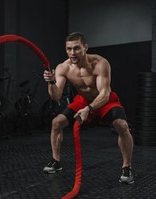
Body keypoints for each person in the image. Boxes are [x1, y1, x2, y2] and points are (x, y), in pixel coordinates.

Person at [42, 32, 134, 184]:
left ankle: (127, 167)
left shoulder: (100, 63)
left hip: (105, 100)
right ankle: (55, 161)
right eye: (69, 49)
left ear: (85, 47)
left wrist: (89, 109)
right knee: (56, 123)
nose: (72, 53)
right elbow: (56, 96)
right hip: (82, 100)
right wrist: (51, 82)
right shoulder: (62, 68)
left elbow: (104, 94)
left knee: (122, 126)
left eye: (76, 48)